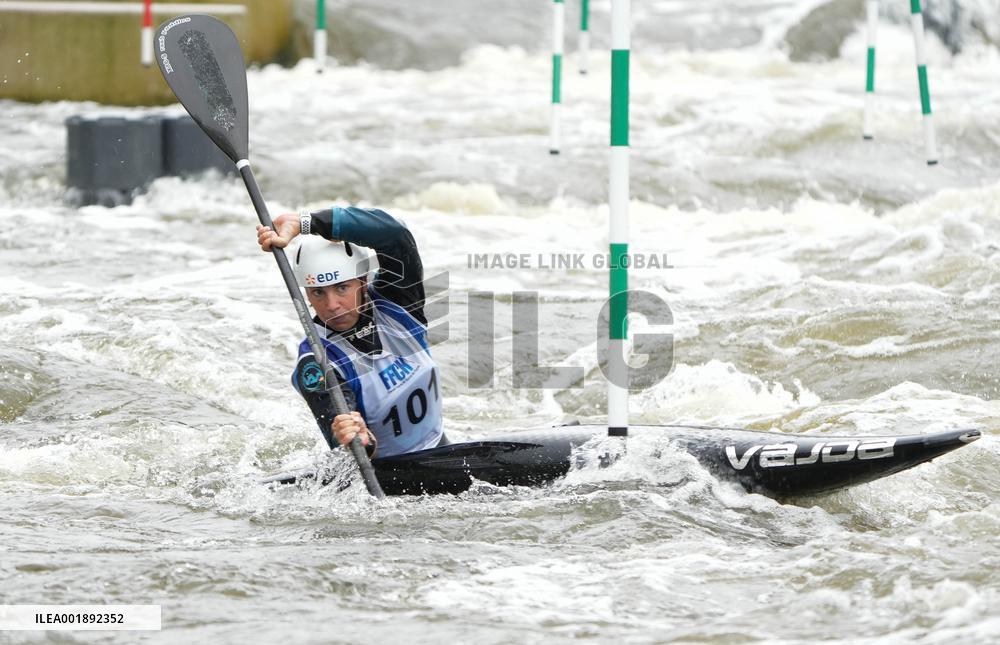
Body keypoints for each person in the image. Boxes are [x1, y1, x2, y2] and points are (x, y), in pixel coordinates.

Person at [257, 206, 446, 459]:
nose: (331, 305)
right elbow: (344, 442)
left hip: (442, 446)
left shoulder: (398, 303)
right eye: (318, 292)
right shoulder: (316, 362)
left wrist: (306, 222)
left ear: (363, 282)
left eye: (342, 288)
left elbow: (395, 235)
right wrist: (359, 439)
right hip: (392, 475)